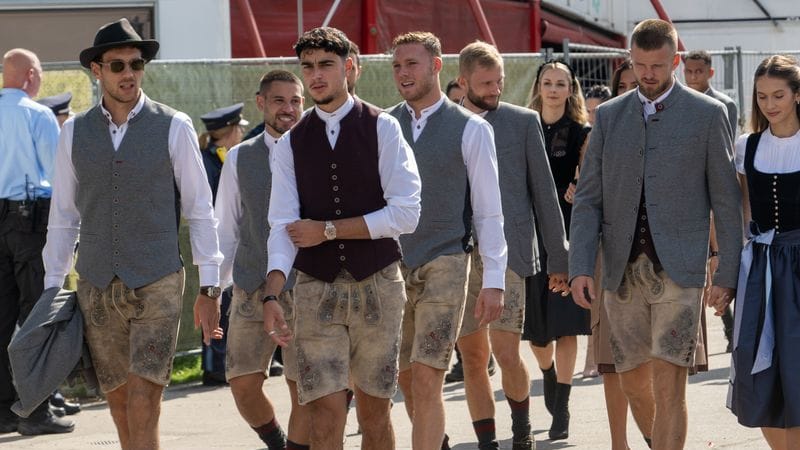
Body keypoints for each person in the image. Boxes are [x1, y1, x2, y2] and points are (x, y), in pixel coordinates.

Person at [42, 18, 224, 449]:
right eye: (118, 65)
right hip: (97, 283)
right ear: (97, 70)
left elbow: (201, 211)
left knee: (145, 395)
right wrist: (52, 287)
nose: (129, 73)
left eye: (136, 64)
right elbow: (63, 216)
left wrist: (211, 286)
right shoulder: (73, 132)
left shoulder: (173, 125)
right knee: (119, 399)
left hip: (157, 279)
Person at [569, 19, 742, 450]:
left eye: (658, 66)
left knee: (670, 385)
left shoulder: (708, 114)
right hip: (620, 271)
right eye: (640, 64)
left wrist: (728, 271)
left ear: (676, 62)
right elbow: (588, 198)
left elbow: (726, 200)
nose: (648, 74)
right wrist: (578, 267)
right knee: (630, 383)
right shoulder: (608, 116)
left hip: (680, 270)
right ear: (630, 60)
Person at [261, 26, 421, 450]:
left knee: (374, 413)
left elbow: (407, 212)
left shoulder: (382, 127)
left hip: (379, 285)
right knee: (324, 412)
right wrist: (272, 293)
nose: (315, 75)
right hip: (316, 289)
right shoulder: (290, 144)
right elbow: (282, 225)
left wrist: (329, 230)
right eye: (308, 67)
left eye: (325, 65)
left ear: (348, 68)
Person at [388, 31, 506, 450]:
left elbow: (489, 210)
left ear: (437, 66)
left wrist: (494, 280)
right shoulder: (384, 125)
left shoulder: (471, 129)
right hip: (390, 266)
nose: (403, 72)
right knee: (403, 376)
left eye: (412, 63)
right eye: (397, 65)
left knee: (426, 376)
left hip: (448, 261)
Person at [455, 41, 569, 450]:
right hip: (457, 258)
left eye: (499, 80)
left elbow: (544, 194)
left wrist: (559, 258)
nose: (495, 88)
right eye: (486, 82)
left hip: (509, 254)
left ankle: (521, 430)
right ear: (462, 81)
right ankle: (487, 441)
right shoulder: (447, 123)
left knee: (505, 352)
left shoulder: (522, 123)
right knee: (472, 357)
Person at [216, 69, 308, 449]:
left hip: (307, 284)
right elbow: (226, 226)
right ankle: (277, 441)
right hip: (252, 284)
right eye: (279, 101)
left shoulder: (319, 150)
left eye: (295, 101)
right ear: (261, 103)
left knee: (302, 384)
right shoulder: (239, 157)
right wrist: (214, 289)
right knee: (242, 383)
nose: (288, 109)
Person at [729, 54, 800, 450]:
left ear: (796, 95)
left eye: (778, 95)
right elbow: (742, 212)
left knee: (796, 369)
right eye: (761, 96)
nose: (769, 105)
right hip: (761, 268)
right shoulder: (747, 146)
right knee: (760, 369)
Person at [0, 48, 73, 436]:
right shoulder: (37, 114)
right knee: (37, 316)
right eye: (41, 73)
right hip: (29, 220)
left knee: (1, 318)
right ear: (30, 76)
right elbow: (60, 174)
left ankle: (3, 411)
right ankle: (35, 412)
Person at [524, 59, 591, 441]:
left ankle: (561, 407)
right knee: (537, 336)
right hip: (531, 236)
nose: (552, 89)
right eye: (547, 82)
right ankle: (547, 373)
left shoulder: (582, 132)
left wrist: (581, 192)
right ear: (538, 86)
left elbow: (593, 181)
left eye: (560, 83)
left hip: (567, 233)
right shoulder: (523, 125)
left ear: (570, 90)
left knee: (566, 326)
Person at [683, 49, 739, 353]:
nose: (693, 77)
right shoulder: (677, 102)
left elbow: (725, 151)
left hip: (713, 188)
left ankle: (731, 326)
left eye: (699, 72)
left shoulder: (723, 105)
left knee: (720, 260)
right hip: (687, 190)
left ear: (710, 73)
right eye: (688, 71)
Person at [197, 102, 249, 387]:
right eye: (239, 128)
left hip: (230, 238)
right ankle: (213, 365)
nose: (242, 132)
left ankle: (223, 361)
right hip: (214, 241)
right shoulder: (209, 161)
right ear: (230, 131)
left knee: (227, 303)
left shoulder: (223, 157)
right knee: (214, 301)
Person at [198, 103, 248, 202]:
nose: (243, 132)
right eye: (240, 128)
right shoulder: (206, 161)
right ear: (233, 131)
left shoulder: (223, 155)